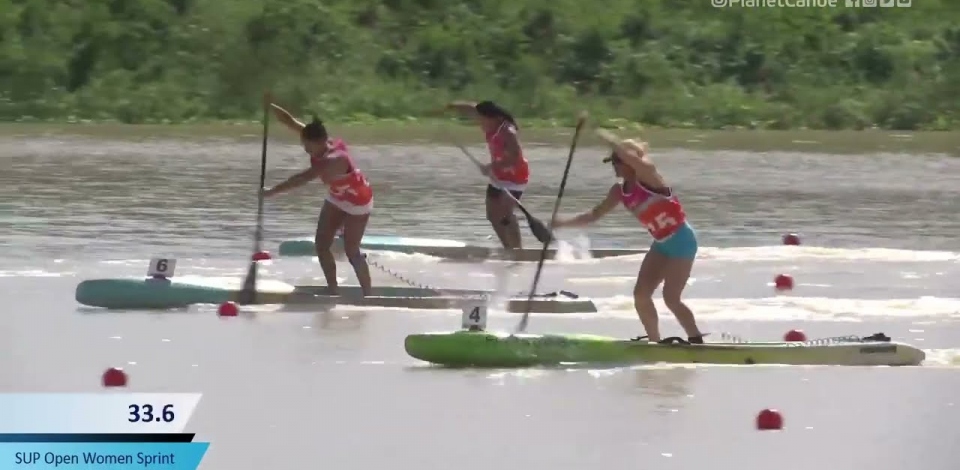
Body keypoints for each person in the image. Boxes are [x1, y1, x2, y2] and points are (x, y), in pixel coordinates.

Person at [551, 138, 704, 344]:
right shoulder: (619, 191)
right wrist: (561, 223)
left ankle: (696, 340)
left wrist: (605, 137)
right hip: (661, 244)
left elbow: (635, 159)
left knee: (671, 298)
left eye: (617, 161)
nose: (614, 166)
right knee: (641, 295)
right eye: (613, 162)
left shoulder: (650, 177)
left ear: (629, 161)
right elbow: (594, 215)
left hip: (682, 241)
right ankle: (655, 343)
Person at [262, 95, 373, 297]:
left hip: (359, 200)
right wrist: (269, 106)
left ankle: (369, 295)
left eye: (308, 146)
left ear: (321, 141)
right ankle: (332, 289)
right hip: (337, 197)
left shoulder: (334, 159)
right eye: (304, 143)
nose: (305, 149)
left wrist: (270, 192)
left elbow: (301, 178)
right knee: (321, 244)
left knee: (352, 251)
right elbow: (289, 121)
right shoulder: (318, 143)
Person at [443, 100, 529, 249]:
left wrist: (491, 166)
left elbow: (515, 157)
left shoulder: (507, 131)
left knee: (506, 214)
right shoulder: (489, 124)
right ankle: (508, 248)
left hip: (516, 177)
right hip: (498, 177)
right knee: (492, 216)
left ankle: (519, 250)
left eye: (482, 118)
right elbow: (471, 108)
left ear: (493, 117)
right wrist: (450, 106)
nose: (479, 122)